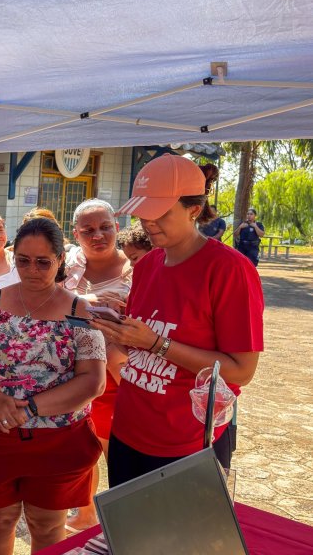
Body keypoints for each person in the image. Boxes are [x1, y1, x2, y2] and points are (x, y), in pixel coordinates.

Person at [98, 154, 264, 487]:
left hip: (187, 442)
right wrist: (120, 329)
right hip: (129, 429)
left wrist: (157, 344)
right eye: (143, 212)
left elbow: (241, 370)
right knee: (130, 536)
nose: (148, 223)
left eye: (159, 213)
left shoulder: (228, 270)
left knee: (180, 539)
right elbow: (142, 344)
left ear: (193, 209)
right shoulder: (146, 266)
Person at [0, 217, 106, 553]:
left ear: (59, 260)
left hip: (57, 442)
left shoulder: (80, 311)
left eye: (43, 262)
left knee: (46, 525)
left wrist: (29, 409)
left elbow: (93, 381)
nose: (32, 270)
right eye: (24, 260)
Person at [61, 199, 132, 531]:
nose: (98, 235)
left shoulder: (138, 267)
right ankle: (85, 513)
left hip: (120, 376)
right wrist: (83, 301)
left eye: (105, 227)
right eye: (88, 230)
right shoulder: (68, 266)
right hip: (72, 373)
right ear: (76, 234)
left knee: (114, 450)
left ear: (117, 227)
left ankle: (121, 523)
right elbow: (47, 302)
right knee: (80, 450)